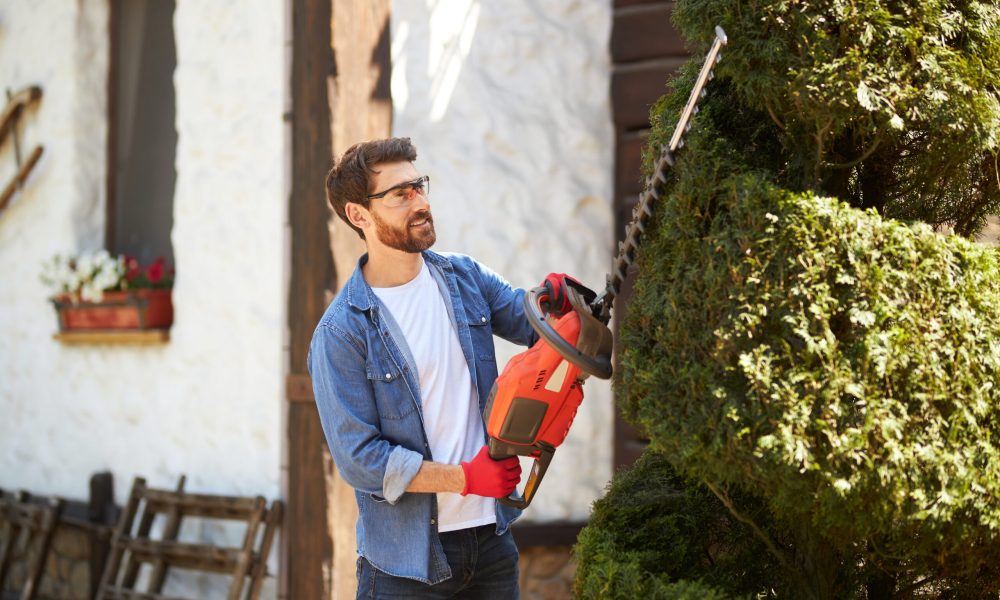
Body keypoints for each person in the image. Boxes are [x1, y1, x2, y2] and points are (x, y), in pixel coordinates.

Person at [309, 137, 571, 598]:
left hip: (491, 542)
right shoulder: (342, 331)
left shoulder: (464, 277)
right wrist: (465, 479)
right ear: (359, 215)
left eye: (420, 186)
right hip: (405, 568)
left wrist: (564, 303)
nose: (422, 202)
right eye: (401, 194)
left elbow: (535, 325)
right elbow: (359, 459)